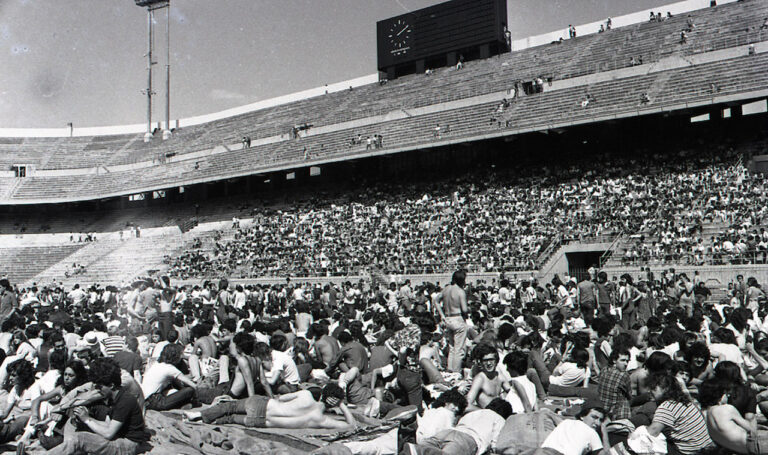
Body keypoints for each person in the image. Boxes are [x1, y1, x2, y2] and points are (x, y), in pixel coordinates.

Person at [48, 358, 149, 455]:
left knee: (80, 438)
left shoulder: (125, 400)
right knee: (76, 423)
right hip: (119, 437)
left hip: (128, 445)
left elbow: (109, 433)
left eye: (99, 386)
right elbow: (107, 424)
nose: (96, 389)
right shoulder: (115, 397)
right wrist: (85, 418)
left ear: (111, 385)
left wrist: (87, 419)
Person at [184, 384, 356, 430]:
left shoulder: (306, 395)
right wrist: (342, 405)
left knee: (231, 405)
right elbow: (352, 425)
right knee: (230, 418)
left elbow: (281, 398)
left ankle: (199, 415)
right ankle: (206, 421)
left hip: (264, 406)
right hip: (260, 422)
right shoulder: (321, 420)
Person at [408, 398, 512, 455]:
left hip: (449, 432)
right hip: (468, 439)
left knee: (431, 446)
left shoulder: (475, 412)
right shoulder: (500, 419)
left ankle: (417, 449)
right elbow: (495, 443)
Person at [646, 373, 714, 454]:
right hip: (705, 447)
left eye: (654, 388)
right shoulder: (684, 401)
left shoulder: (667, 406)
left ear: (666, 389)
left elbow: (652, 432)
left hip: (688, 451)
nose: (649, 391)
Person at [537, 404, 612, 455]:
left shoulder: (566, 422)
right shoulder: (591, 432)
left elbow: (553, 416)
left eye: (600, 420)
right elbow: (606, 453)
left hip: (542, 452)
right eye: (594, 417)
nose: (597, 423)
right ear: (582, 416)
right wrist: (604, 431)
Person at [435, 270, 469, 372]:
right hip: (457, 318)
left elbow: (435, 301)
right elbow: (464, 309)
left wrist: (442, 315)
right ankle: (456, 372)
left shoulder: (446, 289)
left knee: (452, 347)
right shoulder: (460, 291)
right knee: (459, 349)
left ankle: (450, 369)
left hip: (448, 318)